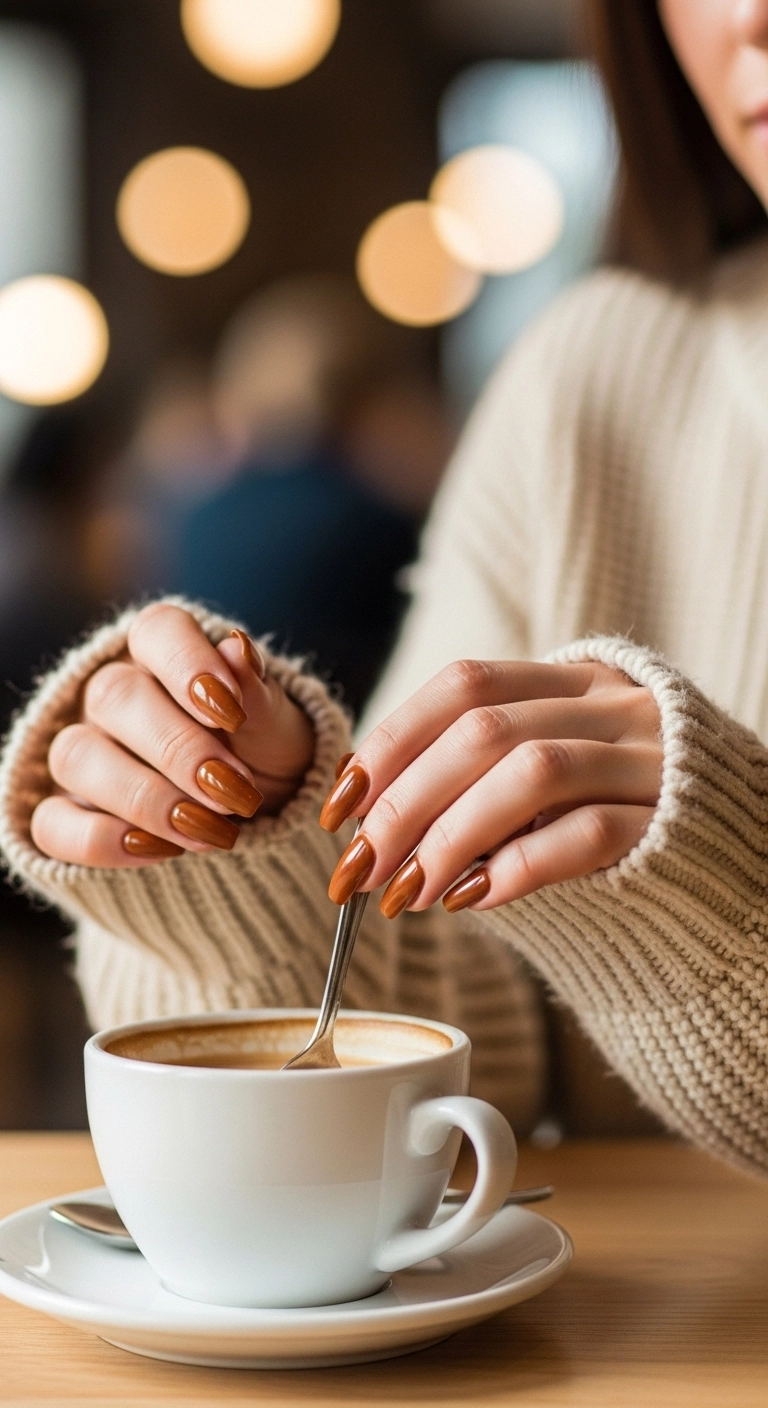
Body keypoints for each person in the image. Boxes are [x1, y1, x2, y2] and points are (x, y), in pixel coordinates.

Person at [1, 0, 767, 1172]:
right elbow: (463, 1021)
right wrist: (239, 844)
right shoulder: (590, 382)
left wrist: (726, 872)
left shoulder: (199, 495)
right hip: (632, 1346)